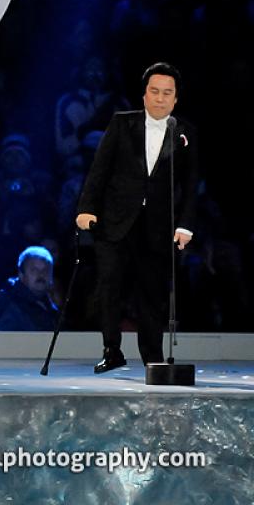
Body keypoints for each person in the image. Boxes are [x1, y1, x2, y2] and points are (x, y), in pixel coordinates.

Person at [76, 62, 199, 373]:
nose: (160, 98)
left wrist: (185, 224)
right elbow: (99, 169)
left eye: (167, 93)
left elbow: (191, 184)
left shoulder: (184, 133)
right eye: (154, 92)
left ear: (175, 99)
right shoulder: (121, 124)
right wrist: (85, 208)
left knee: (152, 293)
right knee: (109, 286)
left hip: (158, 226)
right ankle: (111, 349)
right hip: (115, 221)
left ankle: (152, 356)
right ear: (144, 95)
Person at [0, 246, 59, 331]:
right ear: (21, 275)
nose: (41, 274)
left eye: (46, 270)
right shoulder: (9, 302)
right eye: (34, 270)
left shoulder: (50, 307)